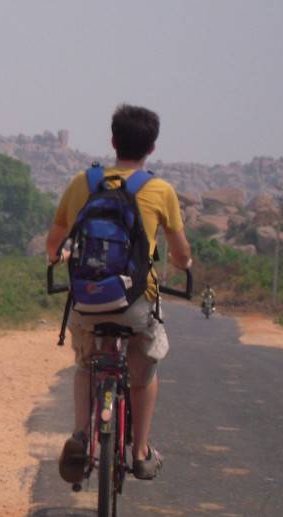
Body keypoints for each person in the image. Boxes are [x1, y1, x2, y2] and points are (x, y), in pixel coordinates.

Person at [45, 104, 192, 482]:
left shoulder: (84, 183)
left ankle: (80, 434)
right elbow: (180, 253)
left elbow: (54, 242)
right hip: (136, 303)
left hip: (88, 300)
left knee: (85, 365)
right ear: (152, 148)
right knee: (144, 372)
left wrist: (57, 256)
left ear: (112, 141)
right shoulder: (161, 190)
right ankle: (141, 451)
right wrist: (184, 265)